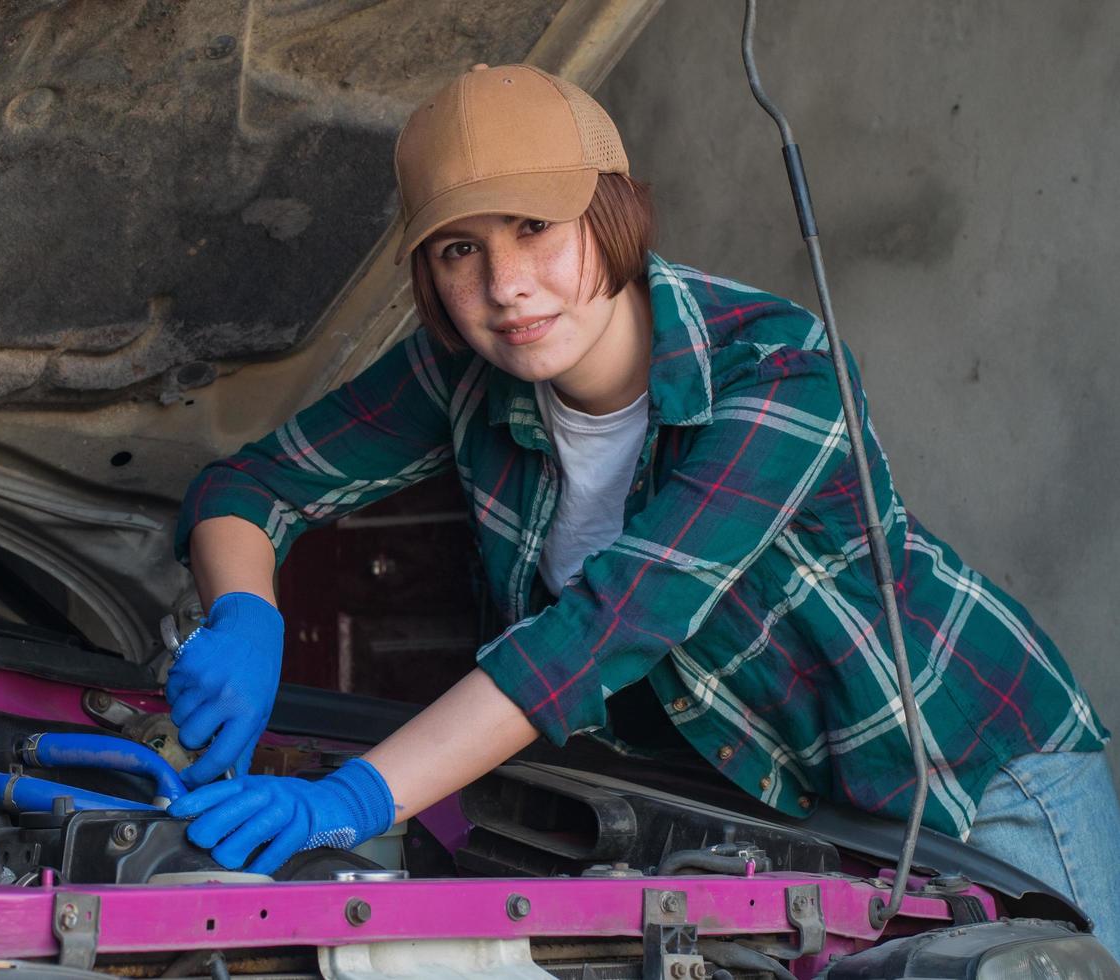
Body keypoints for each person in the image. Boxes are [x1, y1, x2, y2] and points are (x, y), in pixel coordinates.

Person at [163, 63, 1120, 948]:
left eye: (534, 227)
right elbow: (249, 487)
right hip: (754, 801)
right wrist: (246, 613)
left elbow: (610, 625)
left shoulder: (783, 371)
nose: (505, 287)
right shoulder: (456, 370)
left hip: (965, 779)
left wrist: (361, 798)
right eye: (460, 248)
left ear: (612, 212)